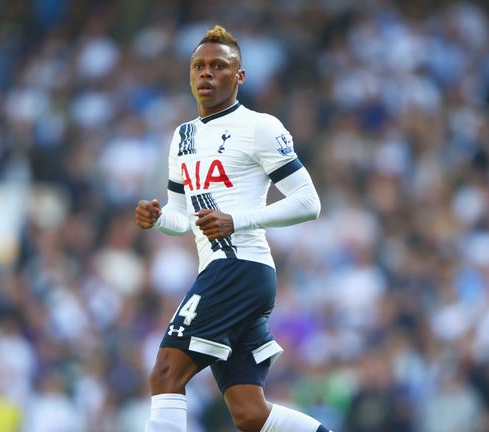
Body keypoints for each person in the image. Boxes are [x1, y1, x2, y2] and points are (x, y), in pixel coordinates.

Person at [135, 25, 331, 432]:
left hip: (240, 266)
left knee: (166, 373)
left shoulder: (260, 127)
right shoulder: (182, 136)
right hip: (222, 270)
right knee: (249, 412)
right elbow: (182, 218)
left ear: (239, 76)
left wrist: (236, 219)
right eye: (198, 66)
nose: (206, 74)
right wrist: (158, 220)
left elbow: (309, 203)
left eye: (218, 66)